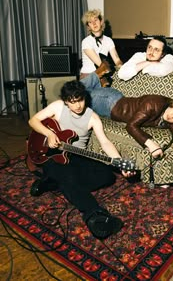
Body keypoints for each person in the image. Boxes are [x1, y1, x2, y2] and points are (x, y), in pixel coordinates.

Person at [28, 80, 134, 240]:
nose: (77, 105)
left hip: (77, 157)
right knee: (67, 175)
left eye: (80, 100)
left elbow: (105, 142)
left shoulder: (92, 117)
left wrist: (119, 162)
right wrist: (49, 134)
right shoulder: (57, 107)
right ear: (65, 101)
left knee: (107, 175)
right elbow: (33, 121)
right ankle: (95, 216)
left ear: (85, 97)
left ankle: (50, 182)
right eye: (72, 102)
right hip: (51, 157)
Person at [81, 73, 173, 158]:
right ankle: (96, 76)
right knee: (75, 94)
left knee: (80, 93)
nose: (172, 117)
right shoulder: (154, 104)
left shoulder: (170, 119)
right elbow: (131, 126)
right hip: (109, 102)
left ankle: (98, 82)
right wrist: (151, 144)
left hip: (111, 107)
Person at [80, 9, 123, 84]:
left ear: (101, 21)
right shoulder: (86, 41)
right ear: (88, 26)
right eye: (90, 22)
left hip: (103, 75)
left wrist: (123, 68)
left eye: (96, 20)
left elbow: (117, 59)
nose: (94, 23)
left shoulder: (108, 40)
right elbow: (100, 64)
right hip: (88, 76)